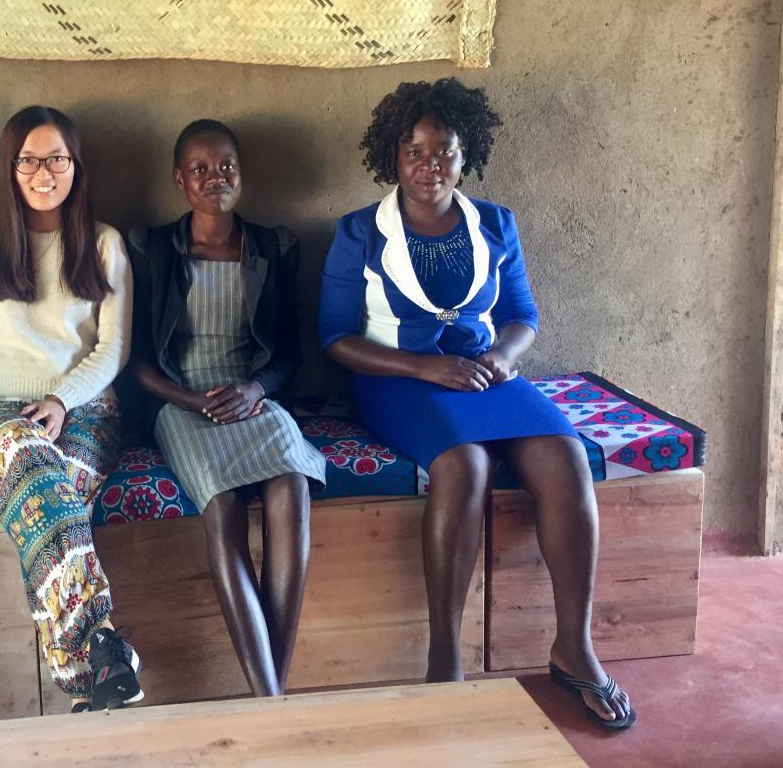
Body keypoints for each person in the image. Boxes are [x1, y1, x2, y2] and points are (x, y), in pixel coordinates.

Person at [318, 78, 636, 730]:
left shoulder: (495, 224)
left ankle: (573, 647)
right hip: (397, 379)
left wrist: (504, 358)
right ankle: (445, 661)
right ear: (392, 157)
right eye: (413, 151)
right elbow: (335, 338)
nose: (429, 165)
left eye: (444, 152)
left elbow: (522, 316)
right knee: (463, 467)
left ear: (467, 157)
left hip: (489, 377)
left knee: (566, 457)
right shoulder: (359, 234)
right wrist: (424, 365)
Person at [0, 105, 139, 713]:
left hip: (87, 411)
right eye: (28, 159)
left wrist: (62, 399)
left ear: (75, 166)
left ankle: (83, 690)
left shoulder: (104, 243)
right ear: (11, 168)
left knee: (48, 496)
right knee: (31, 460)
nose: (43, 171)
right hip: (2, 411)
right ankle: (104, 647)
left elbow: (114, 350)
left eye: (56, 158)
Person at [127, 119, 325, 698]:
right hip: (182, 403)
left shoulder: (274, 246)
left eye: (227, 167)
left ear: (242, 174)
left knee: (292, 485)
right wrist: (191, 399)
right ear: (179, 181)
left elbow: (290, 353)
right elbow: (137, 362)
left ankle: (271, 696)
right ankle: (273, 701)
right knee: (222, 506)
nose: (216, 178)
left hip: (252, 397)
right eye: (201, 169)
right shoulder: (154, 248)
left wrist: (257, 390)